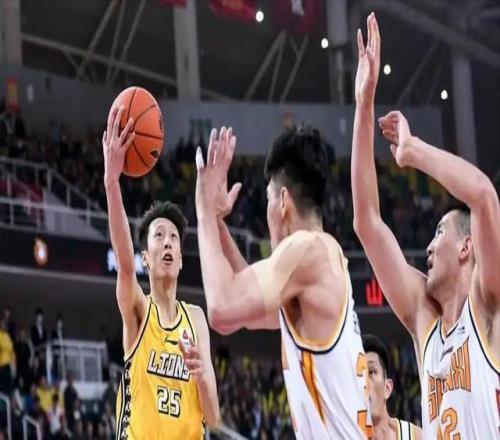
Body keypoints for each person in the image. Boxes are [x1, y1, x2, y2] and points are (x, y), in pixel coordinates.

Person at [351, 13, 500, 438]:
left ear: (467, 247)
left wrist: (413, 151)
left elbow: (483, 196)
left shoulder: (488, 304)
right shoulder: (425, 321)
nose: (429, 248)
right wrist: (364, 105)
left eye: (439, 234)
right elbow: (367, 222)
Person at [195, 126, 372, 439]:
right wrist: (218, 223)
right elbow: (241, 314)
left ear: (282, 202)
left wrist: (204, 212)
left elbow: (221, 308)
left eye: (268, 199)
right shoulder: (319, 258)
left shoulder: (306, 249)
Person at [103, 104, 219, 438]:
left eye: (173, 238)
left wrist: (201, 376)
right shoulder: (139, 310)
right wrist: (112, 182)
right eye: (159, 236)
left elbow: (213, 417)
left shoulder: (195, 319)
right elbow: (125, 266)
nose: (167, 242)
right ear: (146, 258)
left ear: (181, 259)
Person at [362, 335, 421, 440]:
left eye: (371, 372)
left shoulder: (417, 437)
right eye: (358, 375)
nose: (364, 383)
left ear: (387, 388)